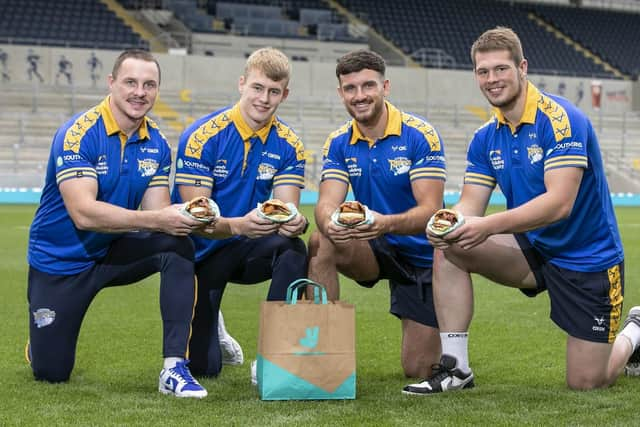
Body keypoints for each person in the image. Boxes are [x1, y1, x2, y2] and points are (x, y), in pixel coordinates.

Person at [403, 27, 640, 395]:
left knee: (588, 381)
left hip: (588, 259)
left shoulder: (562, 119)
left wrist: (486, 225)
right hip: (531, 250)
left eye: (500, 69)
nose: (492, 79)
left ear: (522, 67)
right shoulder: (485, 137)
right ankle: (456, 368)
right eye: (483, 71)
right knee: (450, 246)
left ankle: (635, 333)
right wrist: (450, 222)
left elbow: (559, 204)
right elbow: (470, 203)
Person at [26, 49, 208, 398]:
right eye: (130, 82)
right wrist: (158, 218)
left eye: (149, 84)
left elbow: (160, 213)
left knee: (177, 245)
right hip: (60, 263)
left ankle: (174, 368)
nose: (140, 92)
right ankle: (42, 341)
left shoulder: (156, 143)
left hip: (112, 250)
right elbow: (84, 213)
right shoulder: (78, 134)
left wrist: (187, 216)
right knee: (51, 373)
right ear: (111, 83)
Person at [307, 49, 446, 379]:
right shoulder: (339, 141)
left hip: (420, 254)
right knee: (320, 240)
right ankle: (321, 357)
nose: (359, 96)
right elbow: (326, 202)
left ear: (385, 86)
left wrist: (385, 223)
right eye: (350, 88)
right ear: (341, 93)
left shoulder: (419, 134)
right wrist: (330, 222)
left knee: (419, 369)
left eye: (368, 86)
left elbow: (431, 210)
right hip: (373, 246)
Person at [172, 47, 308, 378]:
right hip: (200, 255)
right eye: (257, 88)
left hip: (244, 247)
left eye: (274, 91)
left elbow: (286, 208)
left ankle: (272, 358)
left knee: (293, 249)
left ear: (284, 94)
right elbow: (197, 219)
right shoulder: (202, 136)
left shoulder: (289, 143)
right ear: (242, 83)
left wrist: (295, 222)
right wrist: (239, 226)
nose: (264, 99)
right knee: (206, 369)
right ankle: (212, 326)